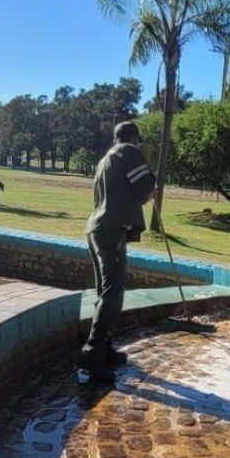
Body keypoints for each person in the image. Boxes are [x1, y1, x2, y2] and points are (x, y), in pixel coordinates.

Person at [77, 121, 156, 381]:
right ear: (135, 138)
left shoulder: (105, 159)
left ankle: (105, 349)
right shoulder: (129, 152)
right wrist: (147, 164)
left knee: (105, 293)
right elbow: (145, 190)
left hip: (97, 228)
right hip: (112, 230)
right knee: (113, 294)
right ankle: (92, 356)